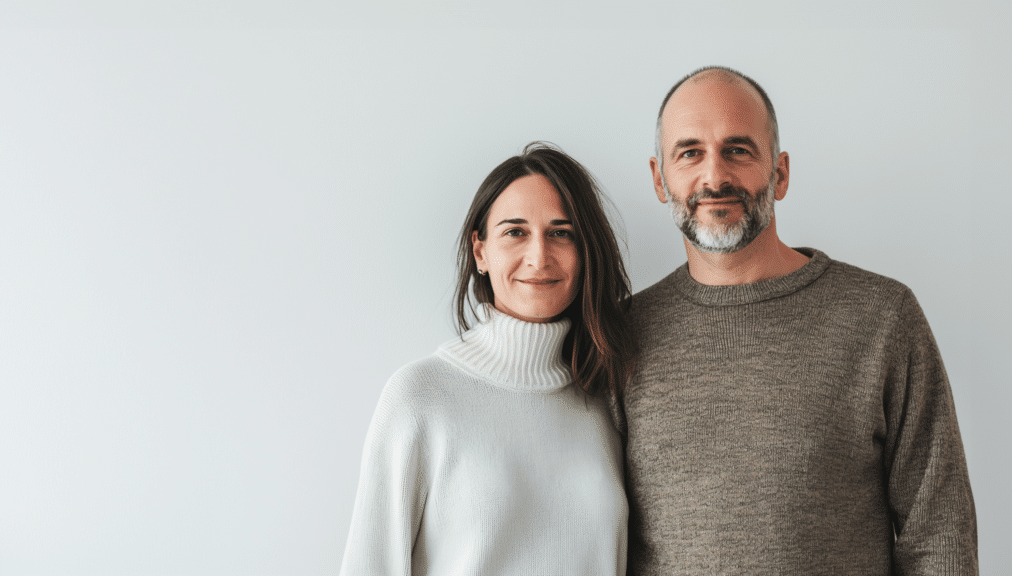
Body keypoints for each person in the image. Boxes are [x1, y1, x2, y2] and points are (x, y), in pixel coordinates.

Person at [614, 66, 978, 574]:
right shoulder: (622, 333)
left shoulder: (882, 318)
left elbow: (938, 534)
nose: (714, 176)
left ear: (780, 173)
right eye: (690, 153)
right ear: (659, 178)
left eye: (738, 150)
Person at [340, 142, 636, 575]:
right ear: (480, 251)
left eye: (561, 232)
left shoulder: (606, 398)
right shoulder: (420, 397)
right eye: (515, 232)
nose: (539, 256)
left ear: (585, 252)